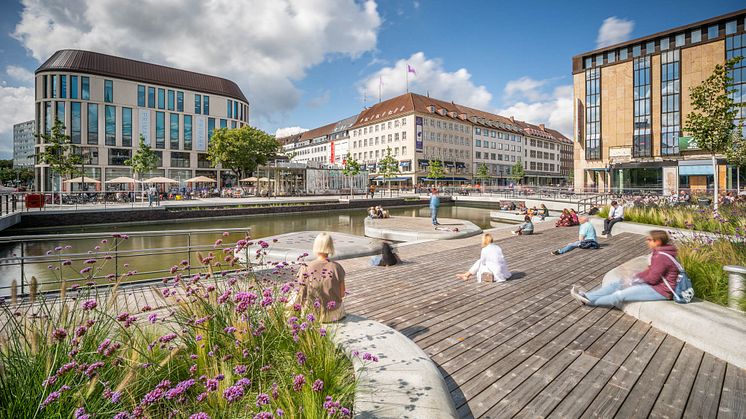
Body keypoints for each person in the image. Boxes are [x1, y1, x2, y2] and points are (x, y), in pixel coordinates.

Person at [570, 230, 679, 308]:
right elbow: (652, 272)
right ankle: (587, 296)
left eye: (649, 240)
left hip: (661, 290)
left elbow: (653, 278)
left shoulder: (662, 256)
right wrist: (635, 277)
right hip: (655, 285)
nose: (647, 241)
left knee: (619, 295)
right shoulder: (659, 252)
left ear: (658, 242)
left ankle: (589, 302)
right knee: (617, 283)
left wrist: (636, 279)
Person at [296, 233, 346, 322]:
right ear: (331, 246)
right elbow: (342, 294)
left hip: (311, 315)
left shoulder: (305, 267)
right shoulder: (337, 267)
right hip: (333, 315)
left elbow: (301, 293)